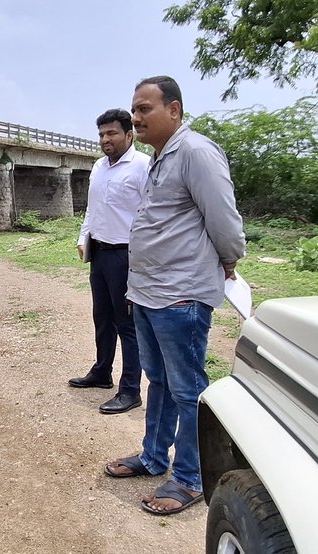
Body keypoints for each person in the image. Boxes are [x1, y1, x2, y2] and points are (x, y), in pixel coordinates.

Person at [103, 76, 246, 516]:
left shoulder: (197, 152)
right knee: (159, 381)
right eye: (135, 109)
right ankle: (152, 457)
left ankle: (189, 477)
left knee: (188, 389)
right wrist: (134, 288)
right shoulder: (159, 158)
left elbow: (222, 219)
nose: (136, 117)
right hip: (148, 293)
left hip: (181, 296)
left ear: (175, 110)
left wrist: (229, 260)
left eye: (145, 109)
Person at [69, 108, 149, 415]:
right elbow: (92, 208)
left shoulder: (143, 167)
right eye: (102, 134)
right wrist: (83, 235)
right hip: (99, 254)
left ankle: (130, 390)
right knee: (101, 318)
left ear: (129, 135)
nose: (106, 139)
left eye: (112, 133)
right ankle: (101, 373)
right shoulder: (98, 166)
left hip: (127, 255)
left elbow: (151, 212)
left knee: (127, 323)